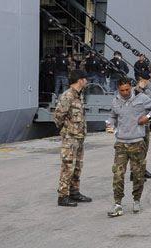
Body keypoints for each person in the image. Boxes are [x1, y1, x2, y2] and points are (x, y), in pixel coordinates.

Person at [106, 77, 151, 217]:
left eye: (127, 89)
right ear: (118, 89)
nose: (124, 93)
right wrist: (110, 124)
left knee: (138, 175)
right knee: (118, 174)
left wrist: (148, 117)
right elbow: (112, 116)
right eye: (122, 90)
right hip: (121, 143)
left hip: (137, 142)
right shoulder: (115, 101)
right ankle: (118, 203)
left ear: (131, 87)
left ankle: (136, 200)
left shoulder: (141, 98)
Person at [54, 70, 92, 207]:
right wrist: (66, 130)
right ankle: (63, 196)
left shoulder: (79, 96)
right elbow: (58, 116)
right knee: (68, 167)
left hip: (79, 138)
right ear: (80, 80)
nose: (87, 81)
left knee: (77, 167)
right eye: (85, 79)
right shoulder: (68, 96)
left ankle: (74, 192)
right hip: (70, 138)